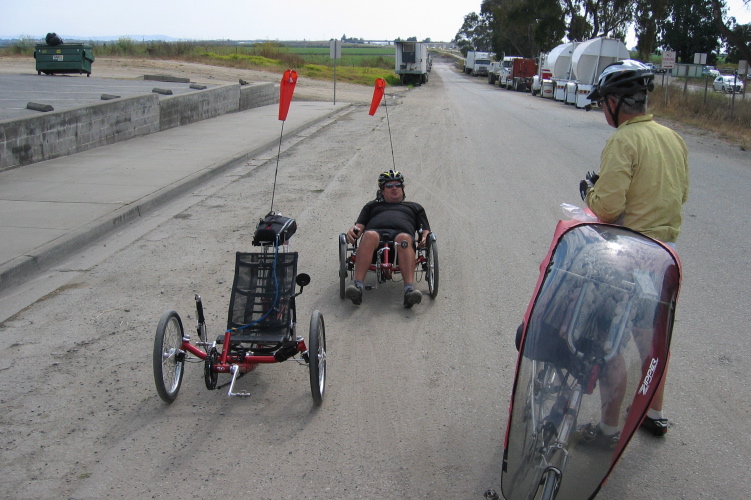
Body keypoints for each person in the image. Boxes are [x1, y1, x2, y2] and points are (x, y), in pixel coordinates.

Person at [578, 60, 690, 441]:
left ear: (614, 102)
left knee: (610, 342)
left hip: (630, 253)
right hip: (666, 256)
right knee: (652, 341)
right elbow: (681, 195)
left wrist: (588, 192)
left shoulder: (624, 139)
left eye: (602, 103)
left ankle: (608, 428)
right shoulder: (673, 138)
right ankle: (653, 413)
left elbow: (606, 207)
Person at [344, 170, 431, 308]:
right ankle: (358, 287)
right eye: (389, 186)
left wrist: (425, 238)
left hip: (402, 240)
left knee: (403, 238)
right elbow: (359, 227)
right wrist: (352, 231)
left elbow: (425, 230)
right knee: (369, 235)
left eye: (398, 185)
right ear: (382, 191)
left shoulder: (415, 207)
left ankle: (409, 291)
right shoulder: (371, 206)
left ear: (402, 189)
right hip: (375, 241)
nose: (394, 188)